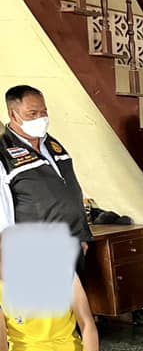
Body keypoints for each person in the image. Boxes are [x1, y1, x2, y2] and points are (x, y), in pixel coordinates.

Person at [0, 86, 92, 270]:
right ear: (13, 115)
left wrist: (82, 234)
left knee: (77, 290)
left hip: (72, 243)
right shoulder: (4, 153)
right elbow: (3, 213)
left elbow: (70, 189)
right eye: (32, 113)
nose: (40, 118)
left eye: (44, 112)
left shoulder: (51, 144)